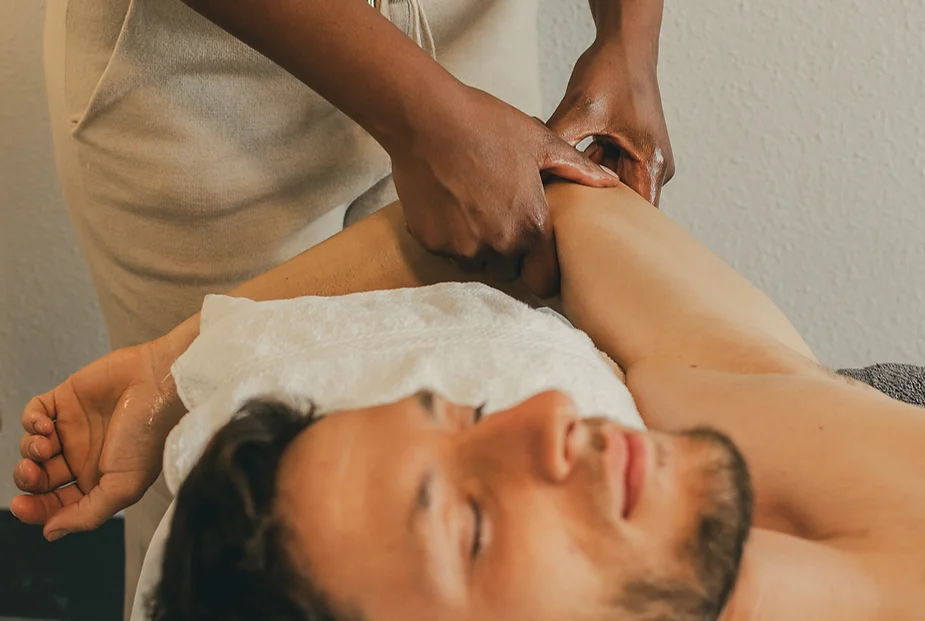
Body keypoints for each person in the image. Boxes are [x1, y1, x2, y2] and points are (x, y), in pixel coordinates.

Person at [13, 183, 925, 620]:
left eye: (472, 416)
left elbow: (550, 212)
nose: (548, 419)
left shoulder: (714, 420)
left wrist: (174, 367)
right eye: (473, 527)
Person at [43, 1, 672, 611]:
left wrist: (628, 43)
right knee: (215, 526)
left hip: (470, 46)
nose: (553, 413)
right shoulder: (703, 371)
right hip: (203, 77)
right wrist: (171, 377)